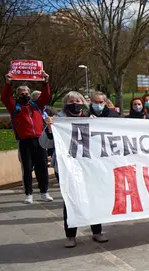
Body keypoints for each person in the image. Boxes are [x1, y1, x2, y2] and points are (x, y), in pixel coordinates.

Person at [46, 91, 109, 248]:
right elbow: (44, 145)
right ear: (66, 103)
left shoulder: (92, 120)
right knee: (71, 201)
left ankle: (97, 232)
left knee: (93, 198)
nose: (75, 103)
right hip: (66, 168)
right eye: (71, 100)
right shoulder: (58, 121)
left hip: (88, 167)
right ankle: (70, 235)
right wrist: (49, 129)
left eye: (77, 100)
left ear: (83, 103)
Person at [2, 72, 53, 204]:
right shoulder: (15, 107)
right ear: (17, 96)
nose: (24, 95)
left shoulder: (36, 105)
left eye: (26, 93)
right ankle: (28, 194)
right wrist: (8, 84)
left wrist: (45, 82)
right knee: (27, 167)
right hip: (25, 141)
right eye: (21, 93)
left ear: (30, 94)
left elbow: (46, 96)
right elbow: (5, 98)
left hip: (39, 140)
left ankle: (44, 192)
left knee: (42, 167)